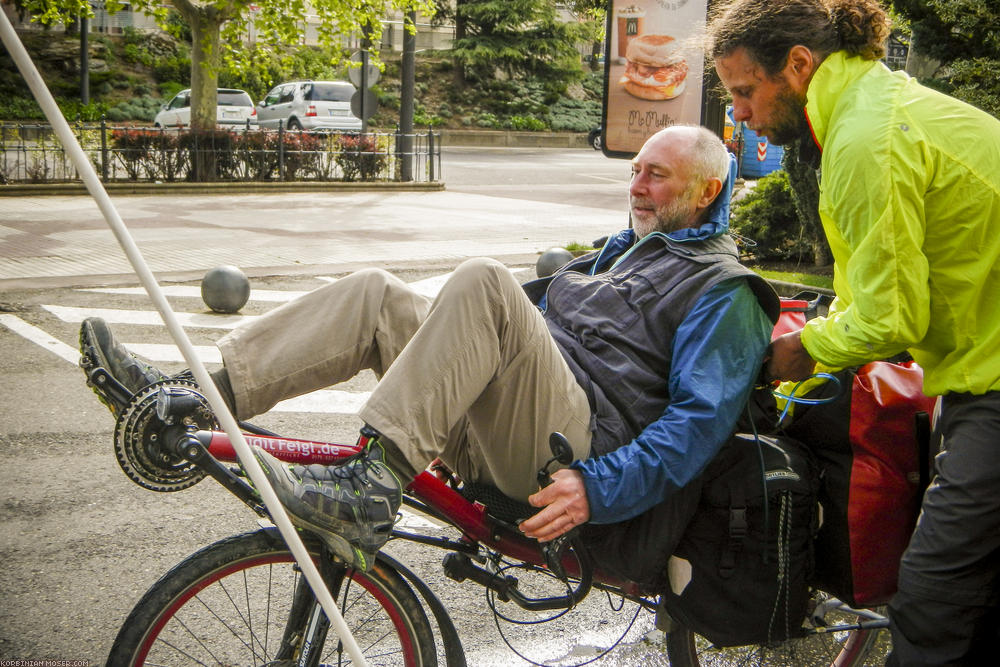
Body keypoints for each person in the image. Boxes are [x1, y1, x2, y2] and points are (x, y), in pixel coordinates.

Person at [79, 124, 779, 581]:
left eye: (655, 175)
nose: (635, 186)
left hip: (581, 454)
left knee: (483, 279)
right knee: (379, 294)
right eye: (635, 170)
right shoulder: (621, 252)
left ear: (707, 189)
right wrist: (446, 383)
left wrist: (599, 487)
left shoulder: (726, 290)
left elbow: (697, 426)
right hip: (516, 428)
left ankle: (368, 487)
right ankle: (191, 396)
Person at [706, 1, 1000, 663]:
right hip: (977, 365)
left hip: (994, 380)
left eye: (745, 92)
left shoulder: (866, 139)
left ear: (800, 65)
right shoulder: (870, 108)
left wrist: (798, 352)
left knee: (931, 599)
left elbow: (892, 317)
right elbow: (883, 292)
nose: (741, 114)